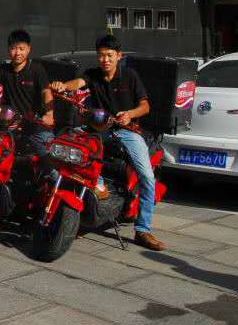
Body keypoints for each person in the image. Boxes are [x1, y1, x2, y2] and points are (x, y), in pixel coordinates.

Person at [50, 35, 165, 251]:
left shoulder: (130, 76)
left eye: (110, 55)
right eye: (101, 55)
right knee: (68, 142)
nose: (105, 60)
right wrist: (62, 86)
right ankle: (97, 184)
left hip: (126, 130)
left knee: (147, 176)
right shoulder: (92, 75)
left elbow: (145, 106)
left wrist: (130, 114)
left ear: (118, 56)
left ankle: (143, 230)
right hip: (98, 128)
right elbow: (77, 83)